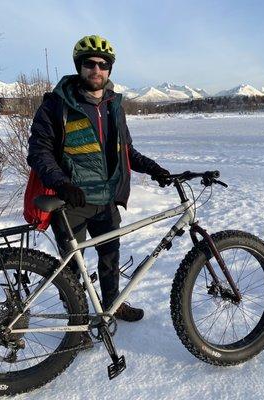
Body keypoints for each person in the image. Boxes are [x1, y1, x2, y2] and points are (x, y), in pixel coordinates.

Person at [27, 34, 170, 325]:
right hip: (72, 202)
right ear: (79, 66)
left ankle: (112, 305)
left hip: (106, 201)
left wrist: (154, 169)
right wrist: (62, 183)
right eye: (90, 63)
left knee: (110, 259)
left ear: (109, 69)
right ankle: (76, 322)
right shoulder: (56, 105)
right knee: (72, 270)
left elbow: (125, 149)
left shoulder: (113, 105)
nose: (97, 69)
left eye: (103, 64)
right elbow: (39, 152)